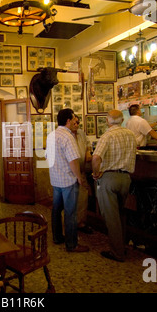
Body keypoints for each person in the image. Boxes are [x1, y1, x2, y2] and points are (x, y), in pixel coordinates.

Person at [92, 110, 137, 262]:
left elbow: (96, 157)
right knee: (120, 213)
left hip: (109, 178)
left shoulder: (107, 135)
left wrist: (95, 173)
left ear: (107, 120)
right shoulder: (130, 134)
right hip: (126, 178)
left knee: (111, 217)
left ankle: (117, 253)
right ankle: (122, 245)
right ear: (123, 120)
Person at [46, 108, 90, 253]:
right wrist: (78, 176)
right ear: (68, 121)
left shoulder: (52, 135)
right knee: (71, 213)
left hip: (56, 179)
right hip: (68, 180)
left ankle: (57, 237)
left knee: (56, 210)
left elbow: (47, 156)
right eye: (73, 120)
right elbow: (73, 160)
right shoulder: (68, 137)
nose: (75, 122)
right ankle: (72, 244)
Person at [71, 115, 94, 234]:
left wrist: (88, 151)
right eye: (75, 123)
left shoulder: (80, 133)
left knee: (82, 199)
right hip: (69, 173)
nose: (77, 125)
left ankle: (81, 223)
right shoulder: (65, 135)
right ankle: (70, 224)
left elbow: (87, 143)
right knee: (70, 200)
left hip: (81, 171)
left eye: (78, 123)